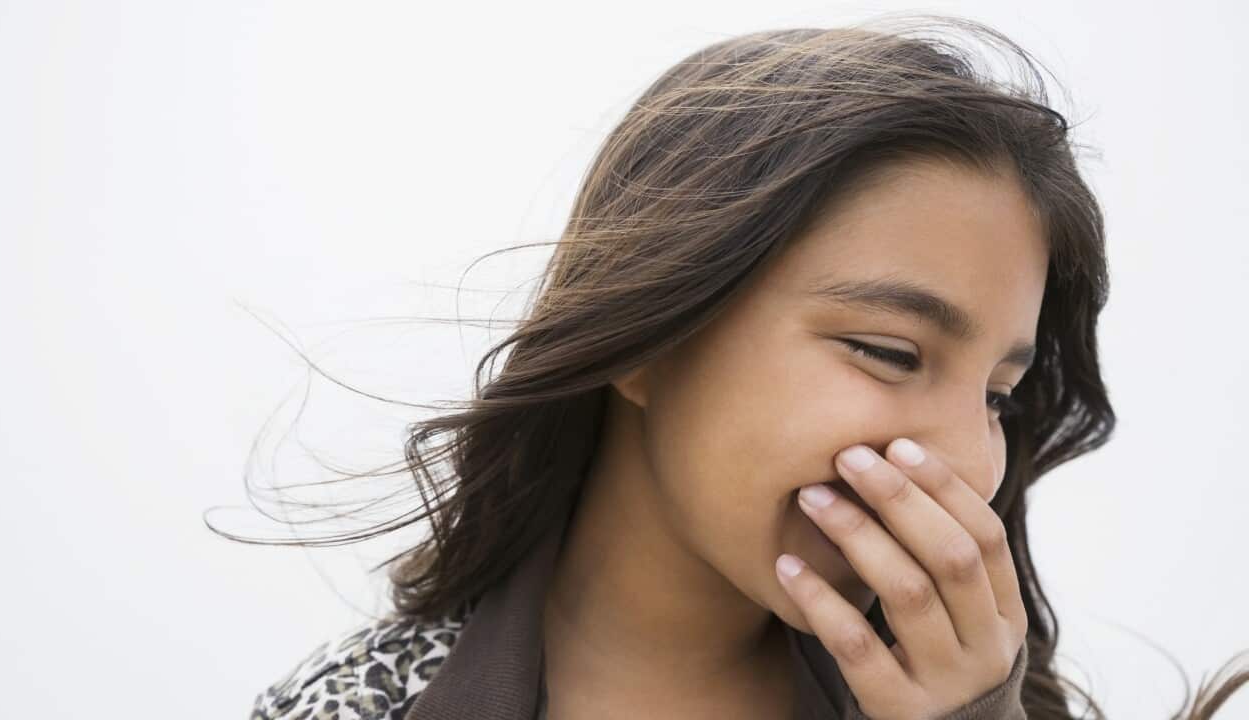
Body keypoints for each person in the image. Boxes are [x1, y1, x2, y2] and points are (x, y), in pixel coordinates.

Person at [238, 13, 1249, 720]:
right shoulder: (350, 705)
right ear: (649, 334)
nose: (966, 463)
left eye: (998, 396)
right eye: (888, 352)